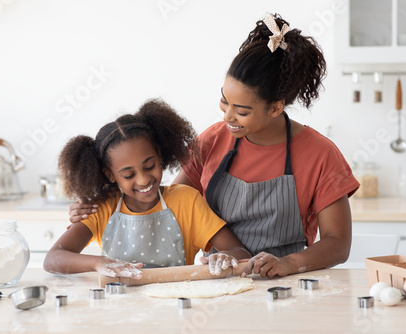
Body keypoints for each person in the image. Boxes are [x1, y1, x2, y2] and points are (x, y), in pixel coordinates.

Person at [68, 13, 360, 279]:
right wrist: (96, 205)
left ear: (275, 108)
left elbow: (337, 243)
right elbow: (167, 204)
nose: (227, 116)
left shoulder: (321, 154)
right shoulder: (214, 140)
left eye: (241, 110)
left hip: (288, 284)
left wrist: (289, 264)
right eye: (224, 100)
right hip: (219, 281)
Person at [44, 99, 251, 279]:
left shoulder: (186, 201)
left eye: (149, 166)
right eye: (128, 175)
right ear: (110, 174)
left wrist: (226, 257)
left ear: (159, 155)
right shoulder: (102, 207)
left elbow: (241, 252)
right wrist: (98, 263)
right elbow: (53, 259)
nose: (143, 179)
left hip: (176, 308)